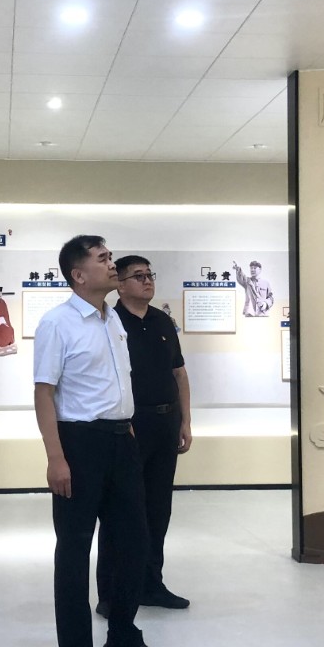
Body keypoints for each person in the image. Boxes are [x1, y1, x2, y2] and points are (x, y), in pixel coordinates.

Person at [33, 235, 171, 647]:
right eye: (103, 258)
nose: (112, 264)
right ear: (78, 274)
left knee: (134, 541)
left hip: (121, 439)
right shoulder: (58, 323)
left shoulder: (112, 319)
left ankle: (123, 637)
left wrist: (124, 426)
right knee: (74, 550)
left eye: (110, 257)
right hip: (79, 443)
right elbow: (44, 393)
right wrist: (56, 457)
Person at [96, 255, 192, 616]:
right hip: (129, 426)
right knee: (119, 511)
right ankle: (110, 594)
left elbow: (179, 373)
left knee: (158, 509)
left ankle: (151, 584)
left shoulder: (162, 320)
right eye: (138, 276)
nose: (147, 280)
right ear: (120, 285)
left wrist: (185, 421)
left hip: (165, 424)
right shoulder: (110, 322)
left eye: (150, 274)